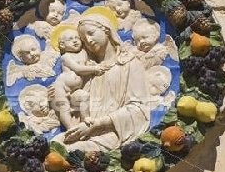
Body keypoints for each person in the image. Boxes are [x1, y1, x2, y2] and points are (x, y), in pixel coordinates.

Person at [58, 10, 151, 152]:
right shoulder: (88, 69)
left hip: (111, 133)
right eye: (83, 39)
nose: (88, 41)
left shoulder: (129, 64)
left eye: (91, 33)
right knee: (54, 144)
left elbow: (138, 110)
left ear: (106, 30)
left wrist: (96, 124)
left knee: (70, 151)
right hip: (83, 131)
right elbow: (77, 102)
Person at [50, 28, 105, 129]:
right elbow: (78, 69)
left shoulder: (84, 53)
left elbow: (87, 64)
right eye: (70, 39)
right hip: (62, 86)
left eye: (77, 38)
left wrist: (91, 64)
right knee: (64, 107)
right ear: (62, 45)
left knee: (84, 96)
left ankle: (85, 119)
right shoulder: (66, 57)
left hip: (76, 89)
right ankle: (70, 127)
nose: (75, 40)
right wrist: (94, 68)